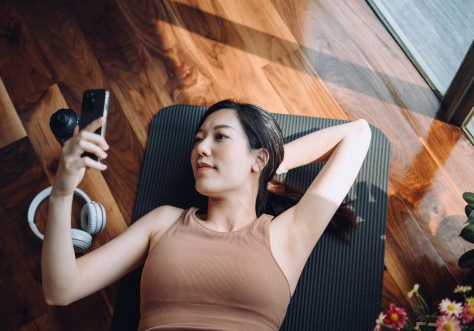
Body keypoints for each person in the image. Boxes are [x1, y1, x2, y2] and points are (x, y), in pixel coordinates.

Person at [42, 100, 371, 330]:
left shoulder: (287, 234)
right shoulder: (164, 222)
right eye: (198, 139)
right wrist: (62, 191)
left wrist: (265, 167)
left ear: (258, 157)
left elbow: (356, 134)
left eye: (220, 136)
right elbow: (61, 289)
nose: (201, 147)